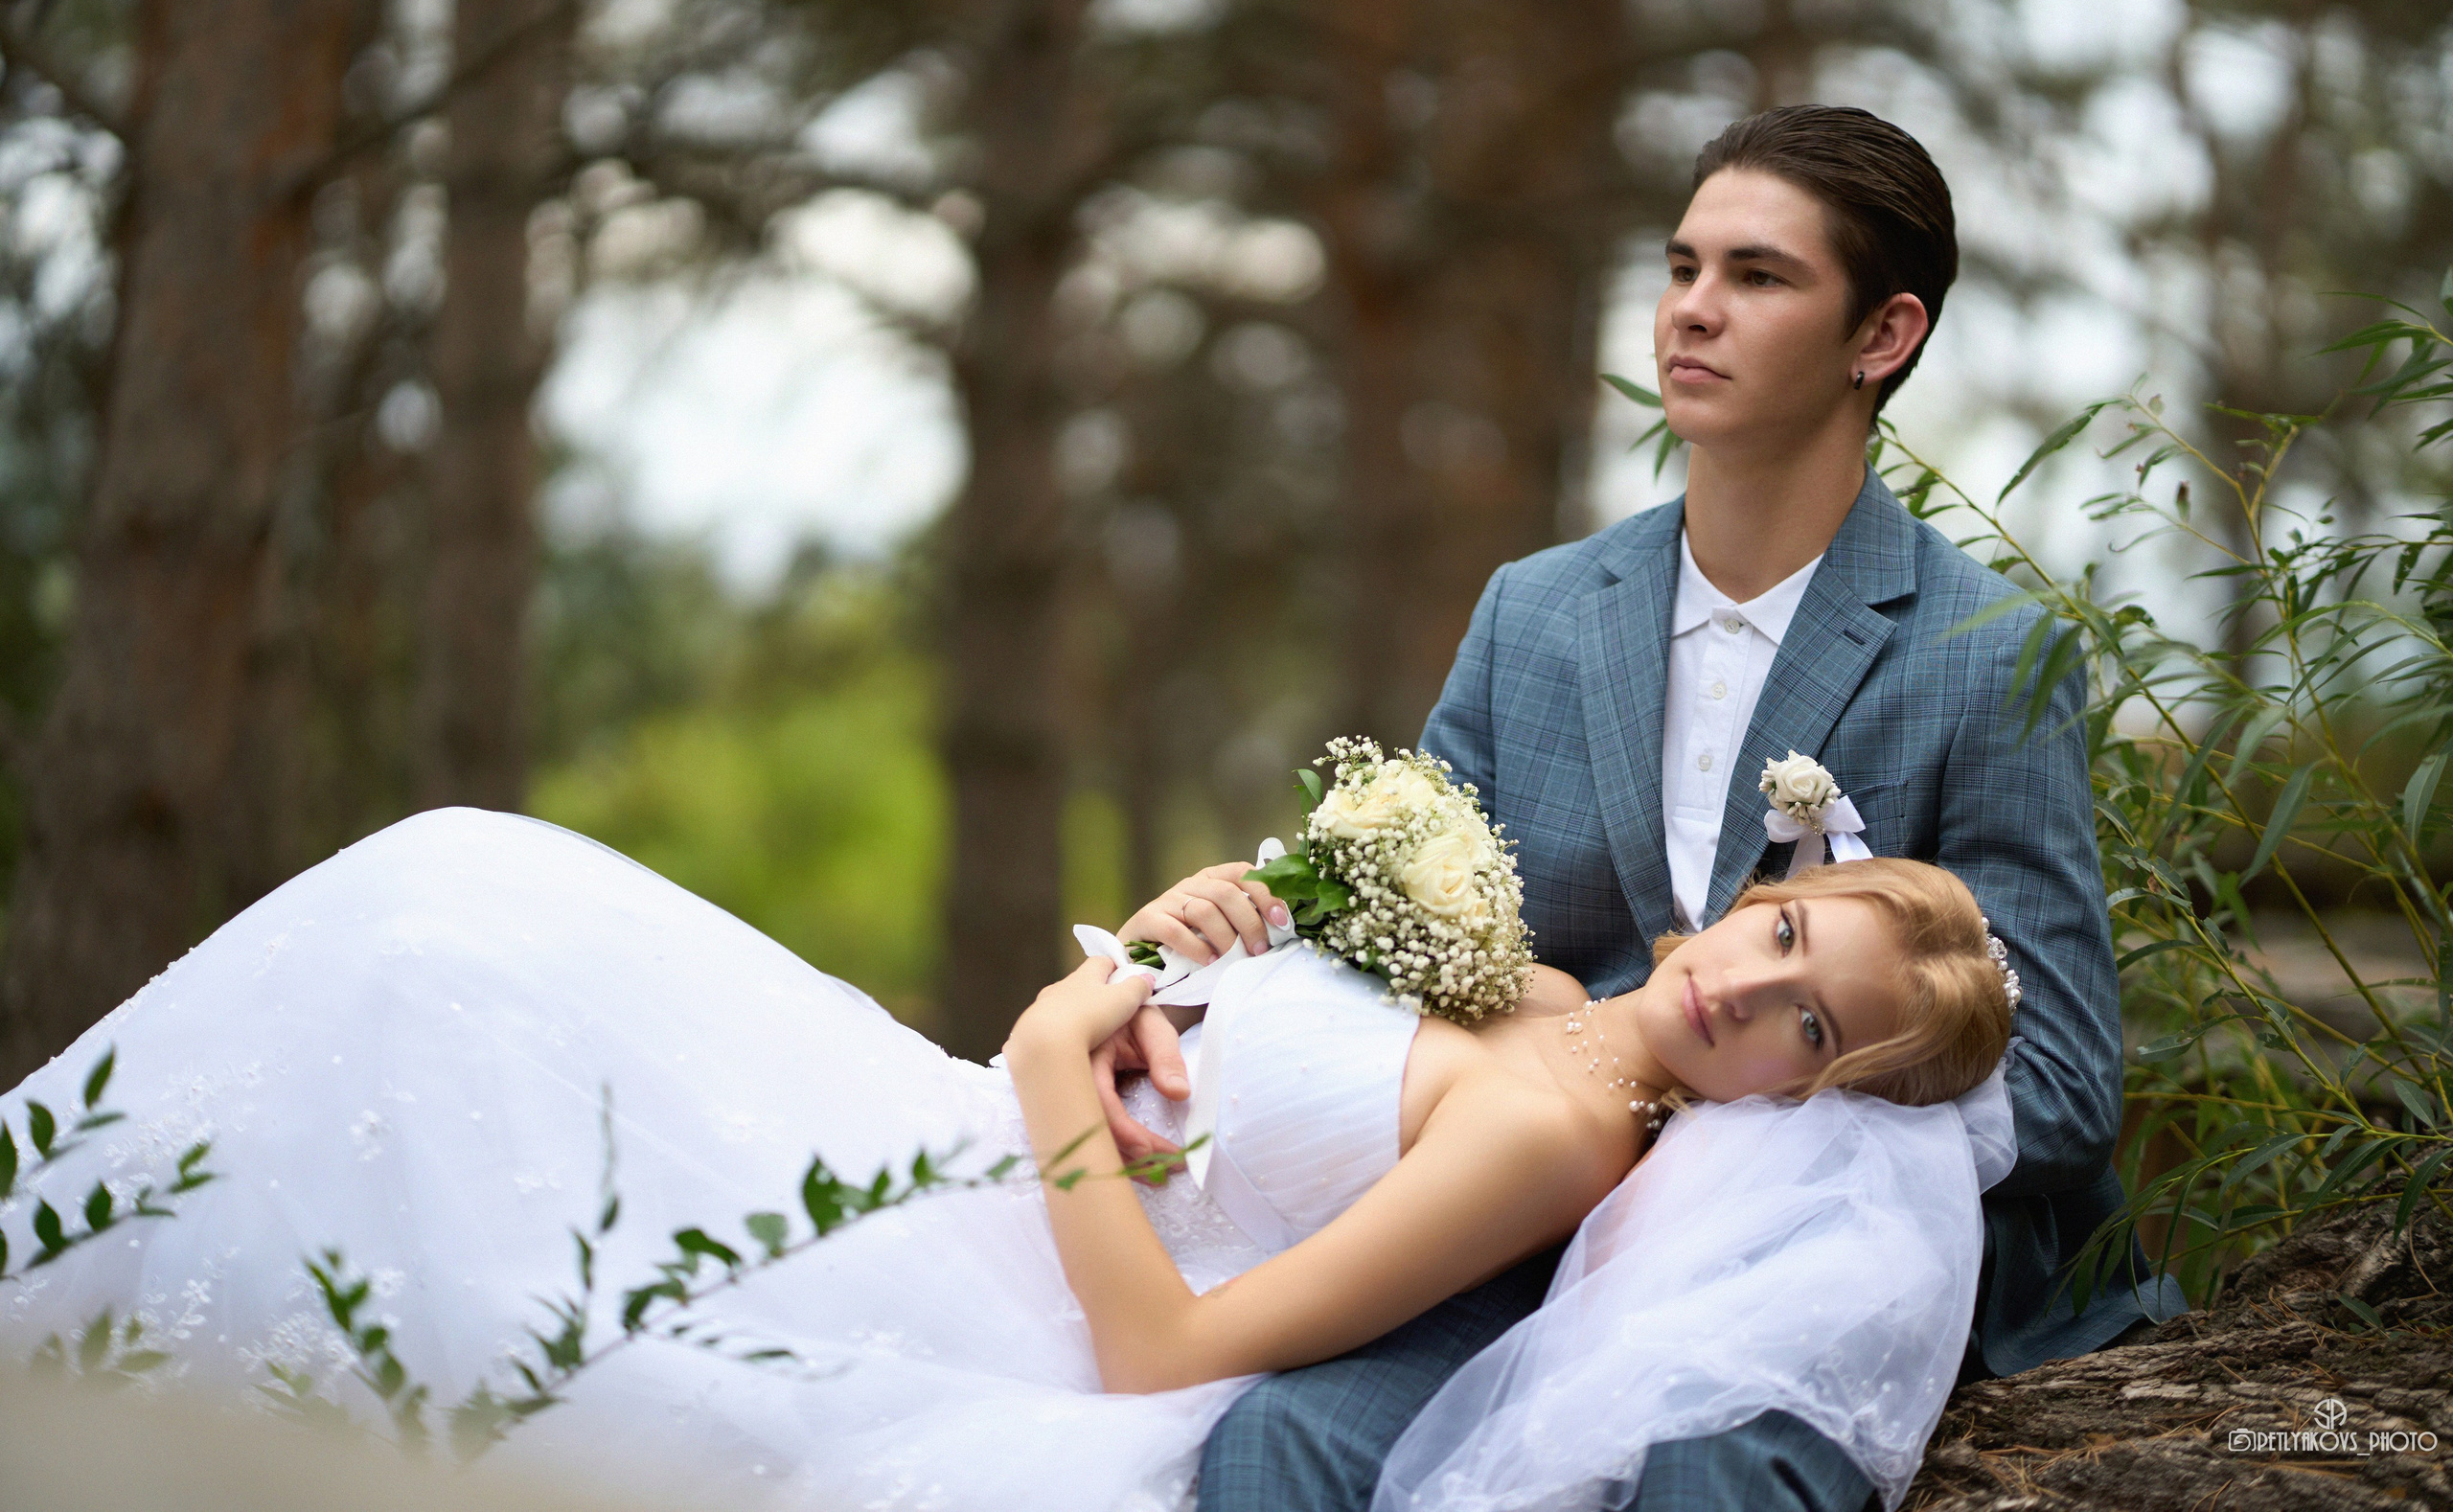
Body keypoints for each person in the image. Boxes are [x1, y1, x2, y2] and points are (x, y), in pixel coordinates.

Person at [1089, 104, 2184, 1512]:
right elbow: (1393, 927)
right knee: (1279, 1447)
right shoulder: (1535, 612)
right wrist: (1213, 942)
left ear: (1883, 336)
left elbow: (2063, 1086)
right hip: (1511, 1223)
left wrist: (1711, 1134)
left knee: (1707, 1479)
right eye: (1683, 269)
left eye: (1759, 277)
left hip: (1796, 1273)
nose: (1695, 313)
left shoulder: (1987, 655)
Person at [1, 807, 2010, 1510]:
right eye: (1774, 938)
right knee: (453, 893)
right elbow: (1207, 1048)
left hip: (995, 1273)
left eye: (1807, 1025)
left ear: (1800, 1089)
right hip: (958, 1131)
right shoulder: (1533, 980)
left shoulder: (1557, 1133)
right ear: (1744, 899)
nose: (1747, 996)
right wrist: (1167, 944)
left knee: (449, 974)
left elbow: (1164, 1351)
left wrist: (1061, 1048)